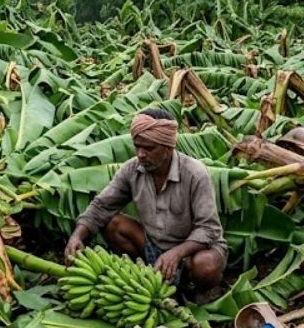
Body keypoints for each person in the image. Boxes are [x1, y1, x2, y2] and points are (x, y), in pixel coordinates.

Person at [64, 107, 228, 290]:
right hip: (152, 245)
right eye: (138, 146)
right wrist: (77, 235)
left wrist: (176, 254)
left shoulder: (195, 174)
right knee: (112, 223)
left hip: (192, 250)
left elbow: (208, 228)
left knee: (206, 266)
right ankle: (144, 279)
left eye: (149, 148)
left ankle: (199, 291)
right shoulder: (132, 170)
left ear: (168, 148)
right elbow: (101, 206)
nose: (141, 154)